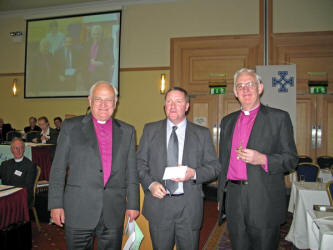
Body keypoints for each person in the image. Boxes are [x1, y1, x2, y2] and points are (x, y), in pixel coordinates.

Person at [48, 82, 139, 249]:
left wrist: (133, 204)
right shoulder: (71, 127)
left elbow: (131, 172)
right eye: (98, 99)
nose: (103, 105)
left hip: (113, 210)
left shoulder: (128, 131)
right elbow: (58, 168)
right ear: (89, 100)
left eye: (109, 100)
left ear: (116, 102)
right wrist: (55, 204)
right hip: (78, 208)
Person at [217, 68, 298, 250]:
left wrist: (263, 159)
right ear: (235, 93)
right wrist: (222, 198)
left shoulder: (279, 118)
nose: (245, 89)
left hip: (263, 198)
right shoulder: (227, 121)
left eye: (250, 84)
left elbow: (291, 159)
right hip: (234, 197)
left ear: (260, 88)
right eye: (240, 86)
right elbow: (223, 161)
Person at [137, 87, 221, 250]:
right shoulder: (150, 130)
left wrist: (194, 173)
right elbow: (139, 162)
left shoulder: (201, 133)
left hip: (188, 206)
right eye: (169, 101)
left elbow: (215, 167)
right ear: (164, 105)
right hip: (159, 204)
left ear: (187, 106)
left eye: (178, 101)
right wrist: (150, 184)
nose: (173, 106)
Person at [0, 138, 37, 207]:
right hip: (6, 194)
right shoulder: (5, 164)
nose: (19, 151)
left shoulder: (30, 166)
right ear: (11, 150)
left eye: (21, 148)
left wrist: (11, 193)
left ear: (24, 150)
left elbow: (28, 187)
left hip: (21, 196)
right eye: (16, 148)